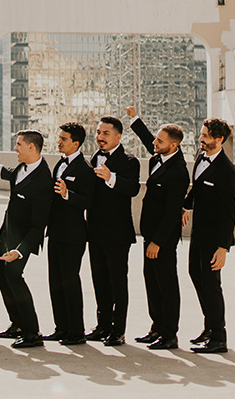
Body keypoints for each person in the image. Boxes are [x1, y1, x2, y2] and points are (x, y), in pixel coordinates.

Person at [127, 106, 189, 351]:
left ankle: (169, 334)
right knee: (151, 282)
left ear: (173, 146)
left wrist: (158, 242)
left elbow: (173, 212)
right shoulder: (158, 157)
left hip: (162, 239)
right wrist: (135, 119)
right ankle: (156, 327)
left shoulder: (178, 172)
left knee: (166, 284)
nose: (155, 142)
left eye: (160, 141)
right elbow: (147, 140)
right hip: (149, 234)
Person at [0, 130, 52, 349]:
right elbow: (10, 174)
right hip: (6, 233)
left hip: (22, 241)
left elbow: (38, 226)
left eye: (18, 144)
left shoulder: (44, 180)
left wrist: (19, 251)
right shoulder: (22, 167)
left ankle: (32, 332)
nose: (15, 148)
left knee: (14, 275)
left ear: (31, 147)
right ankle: (17, 323)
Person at [183, 118, 235, 354]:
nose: (200, 139)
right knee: (196, 274)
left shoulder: (226, 170)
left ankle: (219, 337)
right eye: (201, 134)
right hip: (198, 233)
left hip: (214, 238)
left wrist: (223, 247)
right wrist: (186, 207)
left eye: (205, 136)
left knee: (212, 285)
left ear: (219, 139)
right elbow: (196, 187)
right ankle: (209, 328)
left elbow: (229, 211)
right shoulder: (201, 156)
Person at [86, 116, 140, 347]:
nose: (100, 137)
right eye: (98, 132)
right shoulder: (94, 158)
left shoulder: (129, 161)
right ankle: (102, 326)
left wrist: (111, 178)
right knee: (99, 281)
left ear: (118, 136)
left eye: (106, 133)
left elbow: (133, 189)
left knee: (118, 283)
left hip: (117, 234)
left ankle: (118, 330)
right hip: (94, 231)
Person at [42, 122, 95, 346]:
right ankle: (61, 327)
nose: (59, 141)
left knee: (70, 282)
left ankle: (76, 331)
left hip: (73, 234)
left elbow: (88, 200)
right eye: (59, 137)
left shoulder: (84, 168)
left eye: (64, 139)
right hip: (55, 232)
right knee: (55, 281)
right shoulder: (59, 164)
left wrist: (67, 195)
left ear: (76, 143)